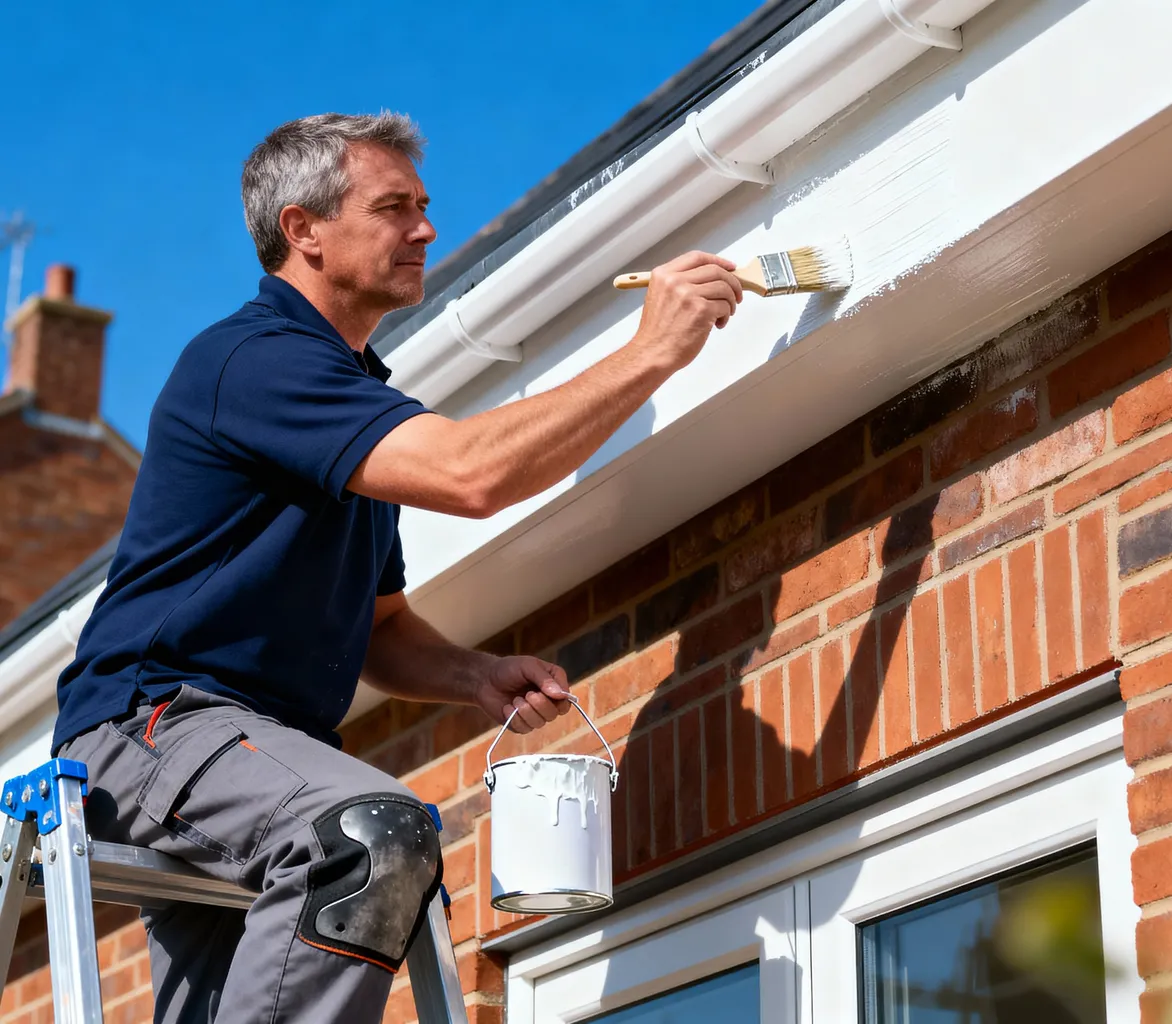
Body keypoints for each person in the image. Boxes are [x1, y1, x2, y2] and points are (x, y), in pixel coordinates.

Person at [53, 112, 742, 1023]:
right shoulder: (255, 363)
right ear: (303, 230)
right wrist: (654, 349)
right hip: (152, 728)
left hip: (255, 757)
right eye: (394, 208)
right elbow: (473, 472)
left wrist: (476, 677)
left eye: (425, 207)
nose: (425, 230)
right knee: (365, 834)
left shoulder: (351, 402)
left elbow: (379, 630)